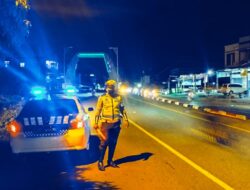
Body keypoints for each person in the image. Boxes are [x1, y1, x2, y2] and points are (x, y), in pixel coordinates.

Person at [94, 79, 129, 171]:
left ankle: (110, 161)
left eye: (111, 87)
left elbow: (122, 109)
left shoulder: (118, 97)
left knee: (113, 143)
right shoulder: (102, 98)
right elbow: (98, 110)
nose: (109, 89)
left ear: (114, 88)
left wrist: (126, 119)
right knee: (104, 142)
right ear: (106, 88)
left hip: (116, 124)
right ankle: (100, 161)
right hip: (106, 123)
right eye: (108, 87)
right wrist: (96, 122)